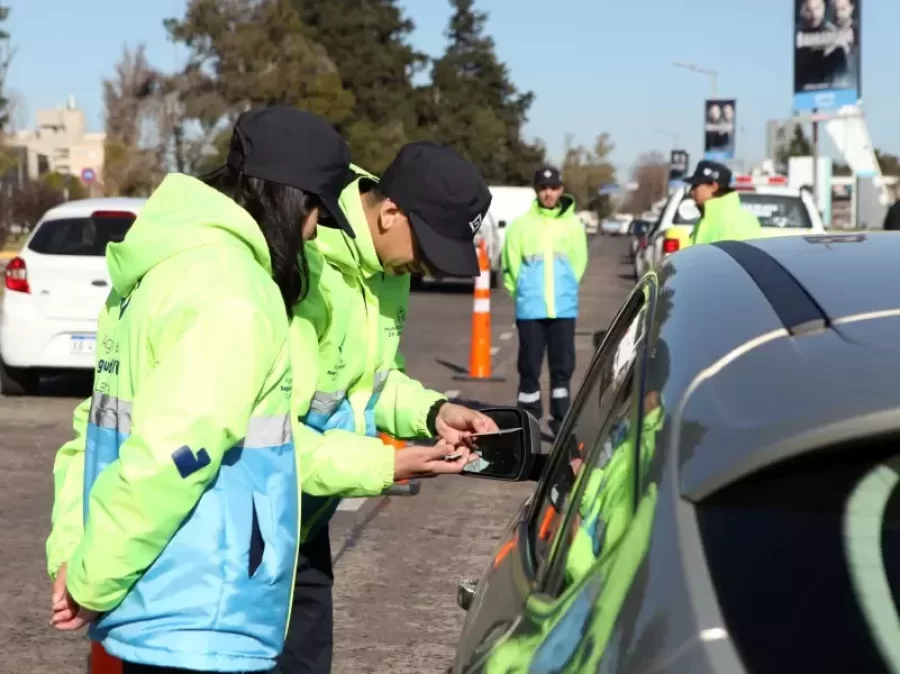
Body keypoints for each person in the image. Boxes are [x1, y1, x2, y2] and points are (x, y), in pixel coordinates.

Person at [46, 106, 356, 674]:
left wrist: (76, 553)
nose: (312, 233)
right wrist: (91, 574)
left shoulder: (157, 269)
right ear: (290, 200)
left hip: (153, 597)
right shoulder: (232, 291)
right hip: (203, 610)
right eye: (315, 212)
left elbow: (88, 437)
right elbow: (174, 456)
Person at [277, 141, 496, 673]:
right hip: (252, 527)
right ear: (390, 213)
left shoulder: (386, 271)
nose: (422, 266)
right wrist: (388, 465)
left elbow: (370, 384)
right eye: (425, 247)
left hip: (307, 524)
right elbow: (269, 435)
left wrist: (434, 412)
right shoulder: (303, 267)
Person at [501, 166, 588, 437]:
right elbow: (510, 266)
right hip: (531, 309)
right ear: (537, 190)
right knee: (529, 368)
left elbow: (578, 263)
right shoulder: (520, 226)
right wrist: (524, 294)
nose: (548, 194)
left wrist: (565, 289)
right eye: (543, 188)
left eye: (553, 188)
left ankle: (561, 420)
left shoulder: (573, 225)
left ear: (561, 189)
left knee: (562, 369)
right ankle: (527, 422)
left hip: (562, 308)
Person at [684, 160, 762, 246]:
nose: (691, 191)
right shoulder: (706, 219)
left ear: (713, 187)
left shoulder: (741, 221)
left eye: (695, 186)